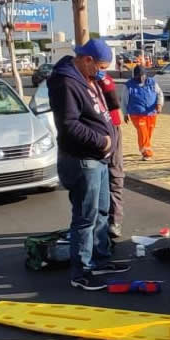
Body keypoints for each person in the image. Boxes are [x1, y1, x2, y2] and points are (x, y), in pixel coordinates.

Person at [47, 38, 126, 290]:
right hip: (83, 159)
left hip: (99, 159)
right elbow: (69, 125)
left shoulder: (89, 79)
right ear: (87, 59)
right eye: (100, 66)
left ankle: (100, 257)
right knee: (85, 216)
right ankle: (81, 270)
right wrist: (100, 140)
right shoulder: (66, 82)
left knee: (102, 211)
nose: (103, 71)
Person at [97, 70, 125, 241]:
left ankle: (114, 221)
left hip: (111, 126)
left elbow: (115, 105)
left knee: (114, 175)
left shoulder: (103, 78)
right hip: (94, 129)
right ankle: (98, 222)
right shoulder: (79, 79)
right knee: (96, 178)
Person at [121, 66, 164, 161]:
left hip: (151, 112)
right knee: (142, 131)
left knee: (149, 132)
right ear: (134, 76)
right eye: (138, 76)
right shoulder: (129, 85)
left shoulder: (152, 83)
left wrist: (159, 104)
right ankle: (146, 152)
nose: (141, 78)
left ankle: (144, 146)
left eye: (142, 76)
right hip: (136, 114)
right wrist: (125, 113)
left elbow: (159, 94)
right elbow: (124, 100)